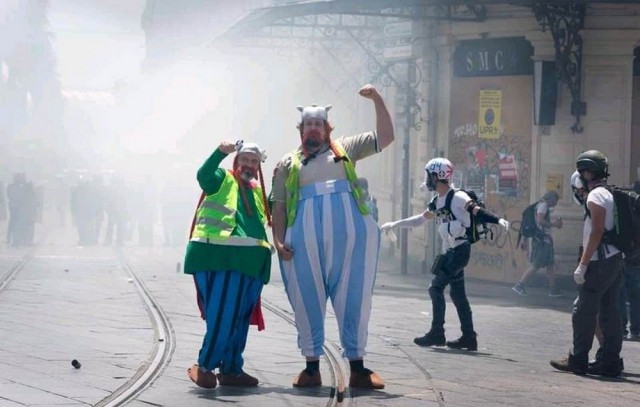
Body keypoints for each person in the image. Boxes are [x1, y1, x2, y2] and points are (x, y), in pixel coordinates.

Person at [271, 84, 393, 390]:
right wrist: (278, 239)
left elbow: (386, 137)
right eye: (308, 125)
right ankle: (311, 368)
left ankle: (358, 368)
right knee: (305, 300)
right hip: (304, 243)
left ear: (327, 128)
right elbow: (280, 205)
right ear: (301, 129)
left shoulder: (346, 149)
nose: (313, 129)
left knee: (354, 299)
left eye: (318, 124)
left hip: (351, 243)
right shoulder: (287, 164)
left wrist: (377, 99)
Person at [381, 158, 509, 351]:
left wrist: (497, 220)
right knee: (458, 295)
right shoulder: (436, 201)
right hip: (451, 252)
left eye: (429, 175)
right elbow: (420, 220)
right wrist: (396, 224)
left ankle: (437, 333)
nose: (427, 179)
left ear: (438, 175)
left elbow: (476, 211)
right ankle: (469, 337)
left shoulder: (457, 197)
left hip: (460, 251)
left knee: (435, 288)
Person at [184, 140, 273, 389]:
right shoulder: (222, 178)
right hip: (219, 254)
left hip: (251, 261)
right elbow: (203, 175)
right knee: (223, 314)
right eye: (244, 159)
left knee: (240, 318)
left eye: (254, 161)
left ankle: (232, 369)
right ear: (236, 161)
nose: (249, 165)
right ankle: (205, 365)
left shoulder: (257, 190)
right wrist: (220, 152)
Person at [550, 150, 624, 377]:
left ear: (588, 172)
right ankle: (610, 360)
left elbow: (597, 231)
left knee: (582, 311)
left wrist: (583, 265)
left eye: (583, 172)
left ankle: (579, 359)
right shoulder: (609, 193)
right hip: (614, 259)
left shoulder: (595, 196)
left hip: (599, 262)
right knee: (609, 311)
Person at [512, 191, 563, 297]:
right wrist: (554, 224)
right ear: (552, 199)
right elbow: (540, 221)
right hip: (542, 240)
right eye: (556, 201)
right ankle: (520, 285)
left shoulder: (540, 205)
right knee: (537, 264)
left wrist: (524, 239)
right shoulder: (543, 206)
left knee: (550, 264)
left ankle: (553, 288)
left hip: (544, 240)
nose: (556, 203)